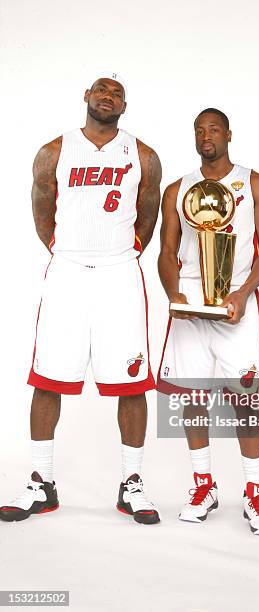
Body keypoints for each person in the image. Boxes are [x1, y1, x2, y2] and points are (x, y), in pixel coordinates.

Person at [0, 72, 162, 525]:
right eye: (101, 90)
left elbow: (147, 215)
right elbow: (41, 208)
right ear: (86, 97)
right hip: (68, 272)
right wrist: (62, 249)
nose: (108, 97)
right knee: (48, 378)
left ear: (124, 107)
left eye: (118, 94)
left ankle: (132, 484)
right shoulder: (54, 150)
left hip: (119, 275)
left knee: (131, 383)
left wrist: (123, 253)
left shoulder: (143, 155)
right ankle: (40, 482)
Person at [157, 108, 259, 535]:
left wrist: (243, 293)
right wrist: (175, 296)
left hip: (235, 300)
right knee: (193, 397)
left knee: (245, 398)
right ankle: (203, 485)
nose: (206, 136)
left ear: (229, 134)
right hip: (192, 300)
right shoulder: (178, 188)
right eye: (199, 130)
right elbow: (166, 250)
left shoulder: (256, 183)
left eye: (213, 129)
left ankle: (256, 491)